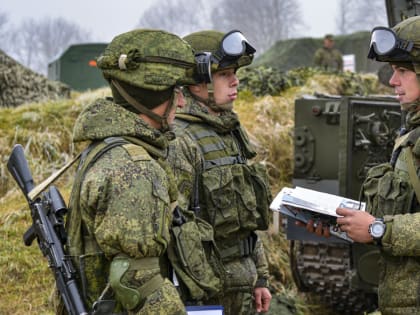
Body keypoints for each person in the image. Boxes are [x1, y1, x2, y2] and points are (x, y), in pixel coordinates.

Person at [60, 29, 198, 314]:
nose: (182, 102)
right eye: (176, 92)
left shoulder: (107, 148)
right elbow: (137, 281)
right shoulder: (134, 169)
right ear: (152, 98)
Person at [300, 16, 420, 315]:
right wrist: (345, 224)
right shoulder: (410, 133)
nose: (392, 81)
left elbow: (386, 228)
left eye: (403, 71)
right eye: (393, 71)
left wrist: (379, 230)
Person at [167, 30, 272, 315]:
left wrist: (260, 276)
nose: (235, 80)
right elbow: (178, 229)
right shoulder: (181, 140)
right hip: (207, 293)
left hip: (244, 286)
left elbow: (247, 217)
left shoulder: (232, 131)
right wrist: (200, 294)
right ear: (197, 80)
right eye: (224, 73)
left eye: (235, 72)